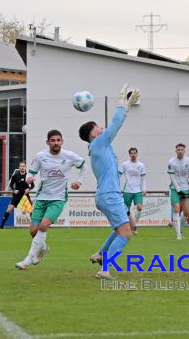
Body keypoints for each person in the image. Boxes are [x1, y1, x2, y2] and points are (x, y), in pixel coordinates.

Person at [81, 85, 140, 280]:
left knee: (126, 227)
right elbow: (116, 123)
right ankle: (105, 269)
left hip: (110, 194)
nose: (102, 127)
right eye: (98, 126)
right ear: (94, 134)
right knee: (125, 234)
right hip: (109, 195)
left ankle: (100, 254)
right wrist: (123, 105)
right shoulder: (99, 143)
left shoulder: (100, 146)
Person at [15, 130, 86, 270]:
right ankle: (43, 248)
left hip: (58, 199)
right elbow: (32, 171)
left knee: (43, 226)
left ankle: (27, 260)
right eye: (52, 140)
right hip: (42, 198)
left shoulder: (69, 156)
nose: (56, 143)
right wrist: (29, 177)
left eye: (58, 140)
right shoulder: (41, 156)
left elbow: (84, 166)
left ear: (62, 141)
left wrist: (79, 181)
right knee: (33, 231)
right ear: (48, 142)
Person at [167, 143, 189, 240]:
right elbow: (172, 177)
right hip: (175, 189)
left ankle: (180, 227)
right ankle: (178, 235)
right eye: (178, 150)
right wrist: (178, 190)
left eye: (181, 150)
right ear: (176, 151)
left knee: (187, 212)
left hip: (186, 188)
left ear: (184, 151)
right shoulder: (171, 162)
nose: (180, 151)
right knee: (176, 209)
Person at [0, 161, 34, 229]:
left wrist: (29, 189)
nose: (22, 168)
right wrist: (14, 190)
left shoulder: (28, 176)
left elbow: (32, 185)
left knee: (31, 210)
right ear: (19, 167)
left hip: (25, 196)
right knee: (9, 209)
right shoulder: (15, 176)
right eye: (21, 166)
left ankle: (33, 226)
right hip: (17, 196)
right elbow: (11, 185)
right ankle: (1, 225)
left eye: (23, 166)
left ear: (25, 167)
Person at [120, 147, 146, 235]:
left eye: (135, 153)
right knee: (126, 210)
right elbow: (119, 175)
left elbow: (143, 178)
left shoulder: (141, 165)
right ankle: (129, 227)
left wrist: (144, 189)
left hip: (138, 191)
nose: (133, 155)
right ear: (129, 154)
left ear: (137, 154)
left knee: (139, 207)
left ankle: (134, 226)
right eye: (131, 153)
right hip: (127, 190)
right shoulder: (125, 164)